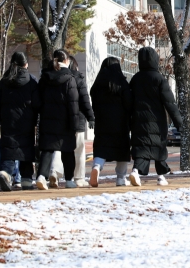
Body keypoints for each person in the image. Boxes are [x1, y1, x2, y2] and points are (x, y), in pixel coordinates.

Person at [128, 46, 183, 186]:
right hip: (157, 121)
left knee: (142, 149)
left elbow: (128, 101)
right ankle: (161, 177)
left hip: (139, 120)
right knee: (158, 149)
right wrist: (179, 124)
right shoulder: (159, 79)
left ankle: (135, 171)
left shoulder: (135, 79)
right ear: (155, 60)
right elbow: (170, 102)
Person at [0, 52, 40, 191]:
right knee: (26, 148)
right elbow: (37, 102)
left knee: (9, 147)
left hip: (8, 119)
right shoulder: (31, 80)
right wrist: (36, 118)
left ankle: (6, 172)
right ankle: (26, 180)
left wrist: (1, 117)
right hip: (26, 119)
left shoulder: (4, 80)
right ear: (25, 64)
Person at [48, 56, 95, 188]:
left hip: (60, 119)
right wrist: (90, 116)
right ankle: (79, 178)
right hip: (78, 119)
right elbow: (85, 100)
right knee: (79, 149)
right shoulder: (77, 78)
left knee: (58, 148)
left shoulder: (55, 77)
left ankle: (54, 172)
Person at [36, 49, 80, 190]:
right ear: (66, 61)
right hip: (65, 121)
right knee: (67, 151)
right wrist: (75, 124)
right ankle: (69, 180)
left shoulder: (44, 78)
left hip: (47, 120)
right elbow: (73, 103)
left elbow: (37, 100)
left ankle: (41, 177)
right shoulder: (69, 78)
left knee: (47, 151)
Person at [89, 57, 133, 187]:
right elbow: (129, 104)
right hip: (120, 124)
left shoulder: (96, 86)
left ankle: (97, 167)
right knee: (122, 151)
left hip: (102, 123)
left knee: (101, 148)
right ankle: (120, 178)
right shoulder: (122, 84)